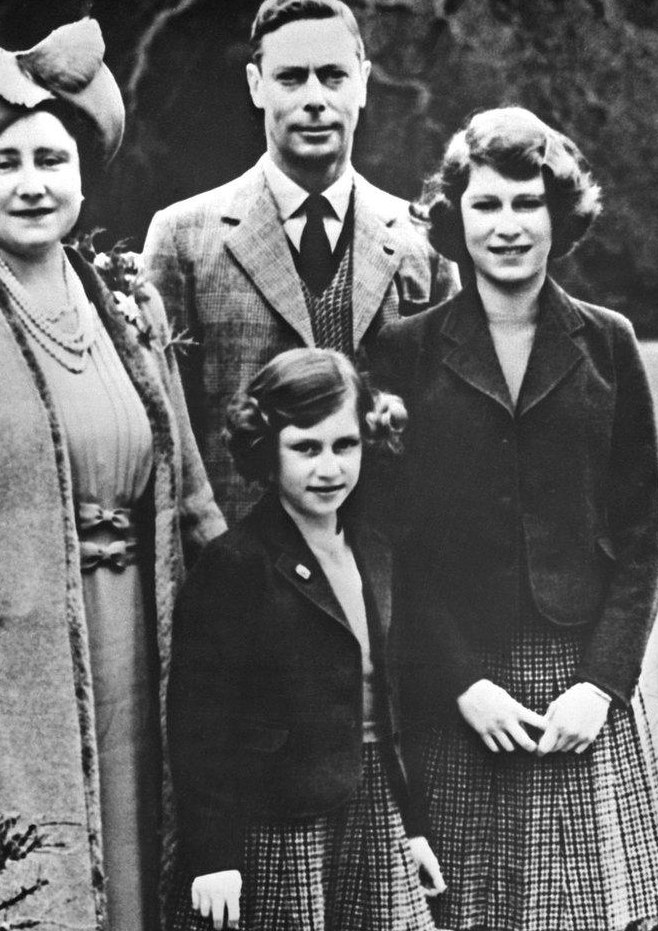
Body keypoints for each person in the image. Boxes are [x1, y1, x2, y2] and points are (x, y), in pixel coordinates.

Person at [0, 19, 225, 931]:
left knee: (149, 863)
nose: (31, 183)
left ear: (82, 177)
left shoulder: (126, 298)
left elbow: (192, 487)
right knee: (28, 886)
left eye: (51, 160)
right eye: (5, 163)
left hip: (144, 633)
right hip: (8, 666)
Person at [374, 107, 658, 931]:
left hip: (576, 687)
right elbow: (390, 544)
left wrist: (603, 684)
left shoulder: (608, 345)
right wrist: (461, 684)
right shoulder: (404, 352)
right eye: (486, 205)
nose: (507, 226)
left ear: (560, 215)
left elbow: (643, 536)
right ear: (455, 218)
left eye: (526, 204)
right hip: (462, 693)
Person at [141, 0, 459, 526]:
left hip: (384, 572)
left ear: (362, 83)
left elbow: (450, 421)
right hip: (239, 567)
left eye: (333, 76)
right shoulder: (182, 239)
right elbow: (160, 427)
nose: (315, 98)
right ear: (256, 86)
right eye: (291, 77)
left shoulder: (422, 241)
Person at [166, 347, 446, 931]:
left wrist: (412, 828)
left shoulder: (373, 548)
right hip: (280, 819)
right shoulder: (235, 565)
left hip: (374, 808)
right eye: (306, 448)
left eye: (345, 446)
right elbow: (200, 723)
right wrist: (213, 858)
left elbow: (388, 708)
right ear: (267, 450)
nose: (329, 468)